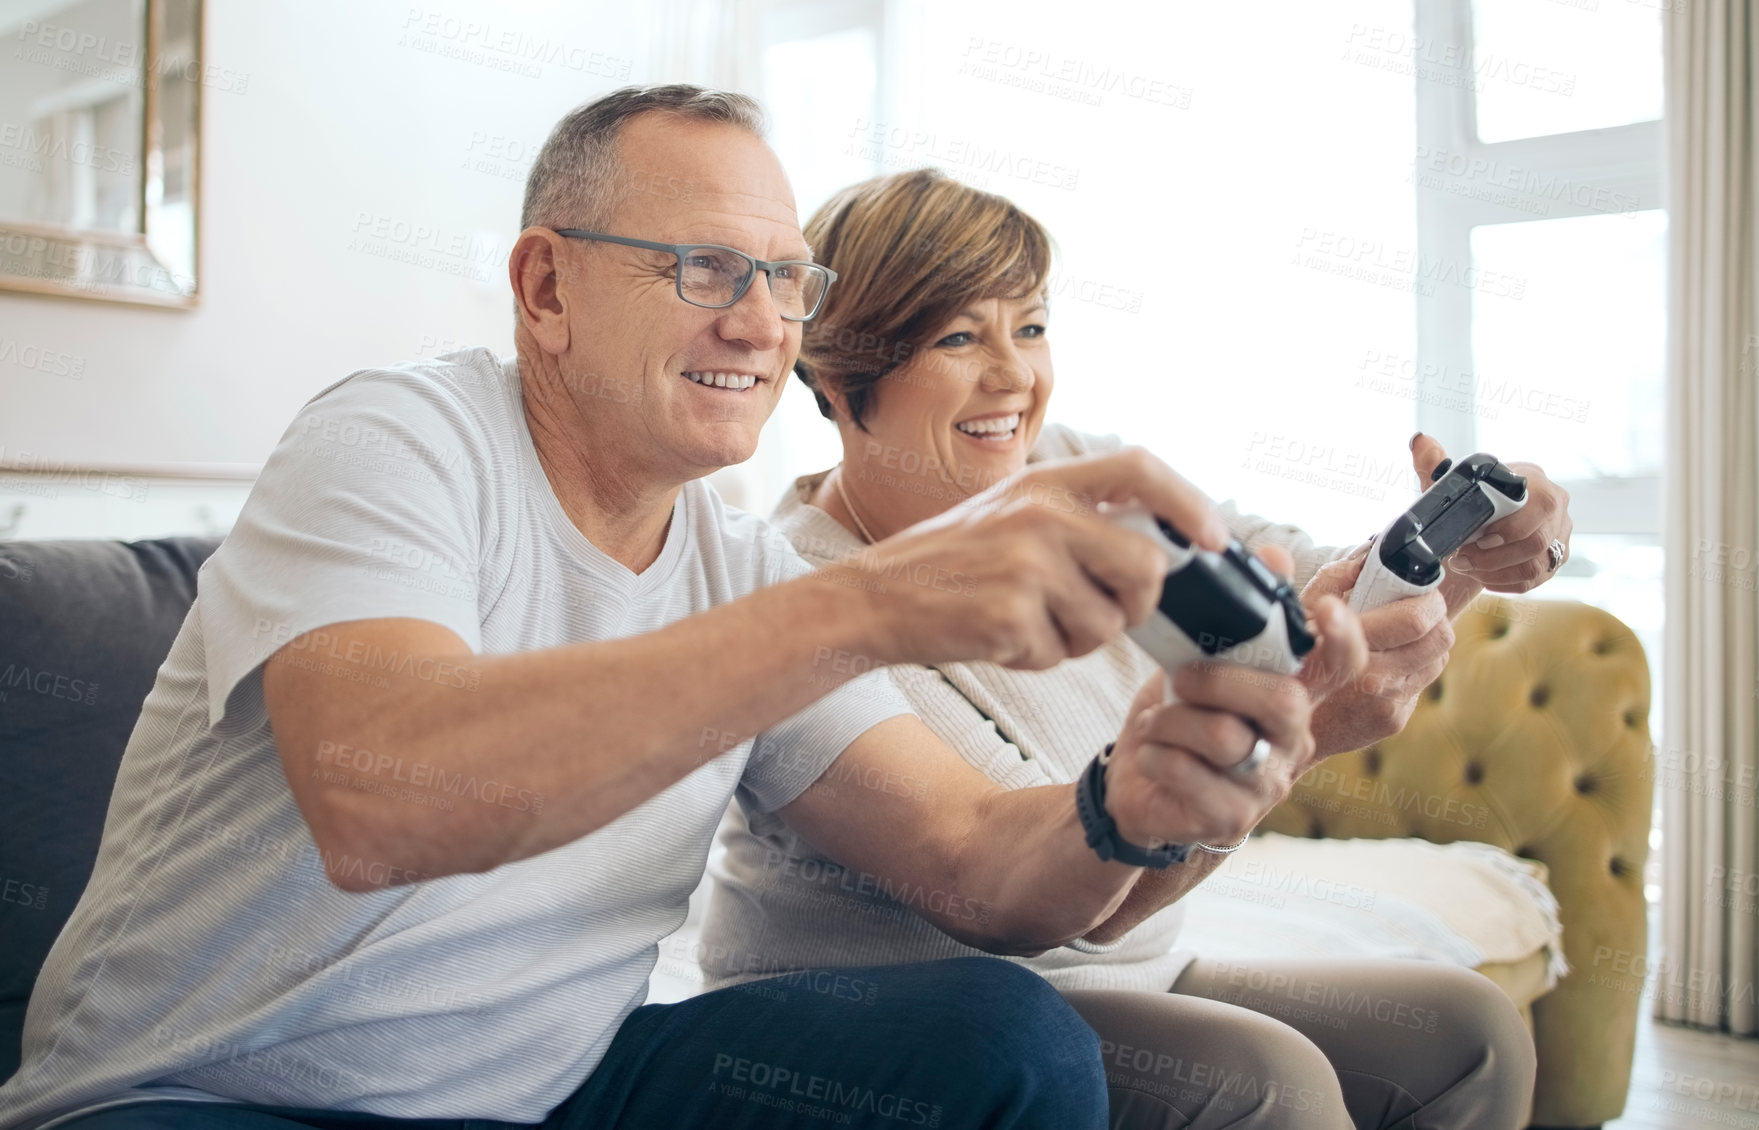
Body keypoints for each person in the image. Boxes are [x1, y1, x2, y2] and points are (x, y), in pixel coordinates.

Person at [0, 87, 1372, 1130]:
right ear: (546, 287)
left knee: (1002, 1035)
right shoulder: (401, 436)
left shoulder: (744, 572)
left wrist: (1132, 803)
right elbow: (388, 800)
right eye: (706, 270)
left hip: (561, 1090)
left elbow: (977, 866)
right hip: (204, 1094)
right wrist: (871, 603)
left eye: (786, 281)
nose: (762, 325)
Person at [701, 167, 1574, 1129]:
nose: (1013, 378)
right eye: (958, 337)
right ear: (834, 377)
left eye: (1029, 327)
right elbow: (1012, 899)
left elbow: (1300, 573)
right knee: (1265, 1082)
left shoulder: (1069, 466)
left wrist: (1469, 546)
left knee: (1466, 1031)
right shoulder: (795, 601)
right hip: (919, 1021)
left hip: (1129, 967)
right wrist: (1300, 730)